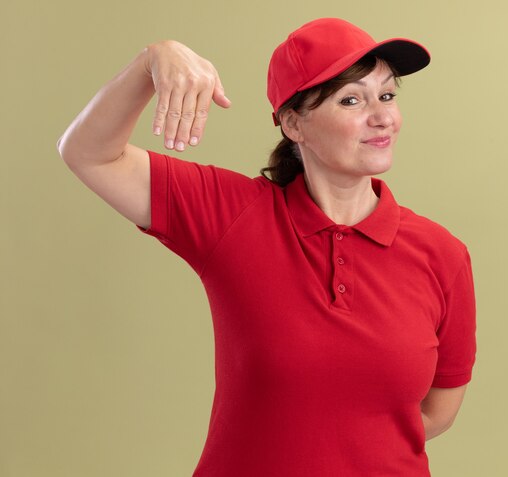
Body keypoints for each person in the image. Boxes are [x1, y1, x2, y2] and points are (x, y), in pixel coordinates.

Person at [57, 17, 476, 477]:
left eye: (388, 95)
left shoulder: (442, 254)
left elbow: (438, 411)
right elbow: (88, 152)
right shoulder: (232, 214)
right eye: (352, 99)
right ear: (294, 124)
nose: (382, 116)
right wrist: (150, 62)